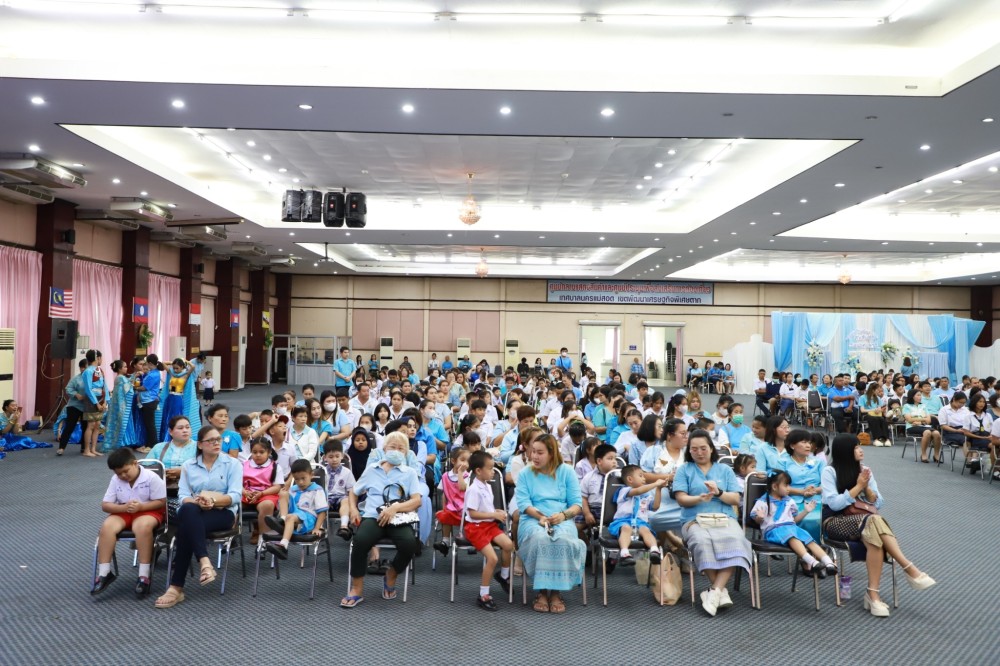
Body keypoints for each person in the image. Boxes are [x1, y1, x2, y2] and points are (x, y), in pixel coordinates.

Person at [821, 434, 936, 617]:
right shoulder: (830, 471)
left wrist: (866, 487)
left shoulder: (865, 470)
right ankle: (909, 569)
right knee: (874, 521)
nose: (861, 450)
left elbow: (879, 502)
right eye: (856, 447)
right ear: (845, 451)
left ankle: (873, 594)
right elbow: (834, 504)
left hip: (865, 522)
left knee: (873, 532)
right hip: (835, 522)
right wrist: (858, 487)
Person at [154, 424, 243, 608]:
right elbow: (183, 496)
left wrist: (213, 501)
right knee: (188, 510)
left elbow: (235, 496)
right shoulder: (189, 465)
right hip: (195, 509)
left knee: (185, 528)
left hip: (222, 513)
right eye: (211, 440)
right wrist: (198, 502)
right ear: (200, 445)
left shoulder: (232, 464)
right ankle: (204, 562)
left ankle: (176, 588)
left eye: (218, 440)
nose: (216, 443)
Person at [672, 429, 753, 617]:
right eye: (694, 449)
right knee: (701, 541)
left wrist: (718, 493)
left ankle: (715, 590)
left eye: (703, 448)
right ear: (689, 451)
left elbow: (735, 499)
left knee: (737, 540)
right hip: (694, 519)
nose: (699, 453)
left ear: (711, 448)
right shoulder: (684, 470)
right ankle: (720, 591)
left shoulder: (724, 470)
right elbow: (681, 499)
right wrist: (699, 498)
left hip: (724, 517)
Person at [341, 432, 422, 608]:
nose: (396, 451)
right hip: (372, 516)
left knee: (410, 544)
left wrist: (395, 508)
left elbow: (417, 500)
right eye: (393, 447)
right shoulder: (372, 469)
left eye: (401, 449)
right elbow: (354, 491)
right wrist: (354, 509)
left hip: (398, 518)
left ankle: (391, 574)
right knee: (360, 541)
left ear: (406, 453)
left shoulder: (409, 473)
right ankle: (356, 589)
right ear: (384, 449)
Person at [515, 433, 586, 614]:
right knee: (540, 539)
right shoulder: (525, 473)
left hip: (562, 518)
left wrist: (563, 515)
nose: (534, 456)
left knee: (564, 539)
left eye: (540, 453)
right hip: (533, 518)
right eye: (533, 452)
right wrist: (540, 517)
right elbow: (523, 504)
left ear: (552, 453)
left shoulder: (567, 471)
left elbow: (577, 505)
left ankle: (555, 592)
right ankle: (541, 591)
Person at [92, 448, 167, 598]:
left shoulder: (151, 477)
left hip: (149, 511)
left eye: (126, 471)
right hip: (124, 511)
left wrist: (141, 507)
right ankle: (105, 573)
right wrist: (123, 508)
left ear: (135, 463)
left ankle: (144, 575)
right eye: (119, 473)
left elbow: (161, 501)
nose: (123, 476)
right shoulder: (116, 480)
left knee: (142, 527)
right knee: (106, 527)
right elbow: (105, 505)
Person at [750, 470, 837, 577]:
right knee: (792, 537)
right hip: (774, 531)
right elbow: (757, 520)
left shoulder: (789, 501)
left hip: (791, 528)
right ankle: (812, 562)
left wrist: (805, 511)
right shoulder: (763, 502)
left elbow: (794, 520)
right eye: (786, 485)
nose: (789, 488)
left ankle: (829, 563)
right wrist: (759, 517)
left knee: (809, 540)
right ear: (774, 487)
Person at [463, 450, 513, 611]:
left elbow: (486, 508)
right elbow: (473, 514)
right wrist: (493, 514)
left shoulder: (487, 485)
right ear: (478, 471)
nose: (493, 472)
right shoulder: (473, 489)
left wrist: (496, 512)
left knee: (508, 545)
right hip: (476, 528)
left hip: (489, 525)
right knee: (492, 559)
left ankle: (503, 576)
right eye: (490, 468)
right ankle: (483, 595)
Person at [264, 458, 328, 559]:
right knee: (283, 493)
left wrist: (317, 528)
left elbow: (322, 512)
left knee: (291, 517)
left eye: (303, 478)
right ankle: (282, 520)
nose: (300, 482)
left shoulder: (317, 490)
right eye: (297, 479)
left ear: (311, 475)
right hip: (293, 515)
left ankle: (283, 546)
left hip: (308, 518)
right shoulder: (293, 489)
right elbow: (287, 504)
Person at [608, 465, 666, 566]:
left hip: (640, 522)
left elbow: (655, 507)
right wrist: (655, 483)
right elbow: (638, 491)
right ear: (630, 479)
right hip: (623, 521)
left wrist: (658, 489)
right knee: (626, 528)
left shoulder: (645, 496)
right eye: (640, 476)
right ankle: (624, 554)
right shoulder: (624, 491)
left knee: (645, 529)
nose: (644, 478)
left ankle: (654, 551)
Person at [777, 429, 824, 542]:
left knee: (821, 518)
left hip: (816, 500)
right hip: (791, 501)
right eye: (803, 442)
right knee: (801, 519)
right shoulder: (782, 462)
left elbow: (826, 485)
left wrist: (814, 490)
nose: (808, 445)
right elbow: (780, 486)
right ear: (792, 445)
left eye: (809, 442)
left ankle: (815, 548)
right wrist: (802, 492)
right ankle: (803, 548)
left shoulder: (818, 462)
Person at [241, 438, 285, 544]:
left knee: (267, 505)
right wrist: (244, 491)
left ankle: (263, 539)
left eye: (261, 452)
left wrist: (262, 493)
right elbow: (236, 483)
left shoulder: (275, 467)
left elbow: (277, 487)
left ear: (269, 452)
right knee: (232, 501)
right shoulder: (243, 465)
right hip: (247, 494)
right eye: (254, 452)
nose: (258, 455)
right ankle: (231, 537)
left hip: (265, 495)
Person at [433, 447, 470, 554]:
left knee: (470, 518)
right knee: (445, 515)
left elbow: (462, 487)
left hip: (466, 508)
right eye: (462, 460)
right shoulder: (445, 476)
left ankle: (470, 540)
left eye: (468, 461)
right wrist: (443, 508)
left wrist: (460, 473)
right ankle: (445, 542)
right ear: (453, 461)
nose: (465, 463)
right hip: (452, 508)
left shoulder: (468, 476)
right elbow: (444, 494)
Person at [155, 358, 199, 442]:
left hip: (178, 398)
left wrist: (186, 361)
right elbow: (163, 363)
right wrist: (172, 362)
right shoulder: (172, 373)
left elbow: (193, 367)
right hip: (169, 398)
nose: (175, 370)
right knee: (166, 417)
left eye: (177, 368)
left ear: (182, 367)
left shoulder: (185, 375)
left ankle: (176, 437)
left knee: (176, 417)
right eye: (174, 368)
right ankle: (165, 438)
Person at [80, 349, 108, 457]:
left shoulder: (100, 370)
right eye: (101, 358)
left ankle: (93, 449)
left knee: (97, 425)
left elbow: (105, 386)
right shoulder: (88, 371)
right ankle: (86, 450)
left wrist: (105, 401)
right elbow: (88, 389)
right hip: (92, 399)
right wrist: (96, 403)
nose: (101, 360)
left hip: (101, 397)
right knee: (91, 425)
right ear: (97, 358)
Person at [902, 388, 941, 463]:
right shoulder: (907, 406)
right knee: (927, 432)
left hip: (924, 426)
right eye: (918, 395)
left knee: (937, 433)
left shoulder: (923, 406)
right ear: (912, 396)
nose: (920, 397)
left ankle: (936, 455)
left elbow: (929, 420)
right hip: (911, 427)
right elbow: (909, 420)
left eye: (920, 395)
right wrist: (923, 419)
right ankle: (923, 454)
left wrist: (919, 422)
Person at [963, 391, 993, 472]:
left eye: (983, 402)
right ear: (974, 402)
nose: (982, 404)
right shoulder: (968, 416)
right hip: (975, 438)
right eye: (979, 402)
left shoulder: (988, 415)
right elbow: (966, 432)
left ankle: (975, 463)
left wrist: (991, 436)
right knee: (994, 446)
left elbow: (992, 429)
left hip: (987, 437)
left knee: (995, 444)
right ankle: (992, 466)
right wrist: (981, 437)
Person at [937, 391, 969, 462]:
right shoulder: (944, 410)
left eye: (963, 403)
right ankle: (969, 461)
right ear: (954, 399)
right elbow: (943, 426)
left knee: (976, 439)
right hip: (949, 432)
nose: (962, 405)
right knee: (965, 439)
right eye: (960, 402)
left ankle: (975, 460)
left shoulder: (965, 410)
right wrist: (956, 430)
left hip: (963, 430)